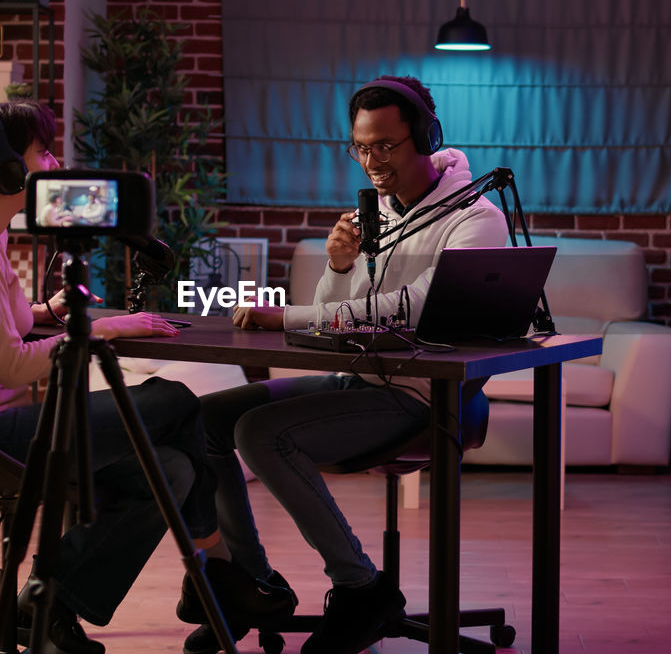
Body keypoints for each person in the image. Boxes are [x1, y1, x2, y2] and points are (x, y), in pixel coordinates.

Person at [0, 100, 295, 654]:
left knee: (175, 470)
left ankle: (49, 605)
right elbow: (11, 364)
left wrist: (49, 312)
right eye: (43, 150)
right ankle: (217, 575)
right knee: (180, 403)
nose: (55, 159)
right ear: (10, 168)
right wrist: (104, 332)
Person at [189, 76, 509, 654]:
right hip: (361, 378)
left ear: (426, 137)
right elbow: (344, 318)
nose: (372, 161)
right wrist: (338, 266)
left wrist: (284, 316)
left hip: (423, 397)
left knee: (262, 432)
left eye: (385, 145)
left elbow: (417, 311)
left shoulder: (475, 219)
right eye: (361, 147)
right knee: (203, 418)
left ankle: (360, 587)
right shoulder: (376, 214)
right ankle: (248, 584)